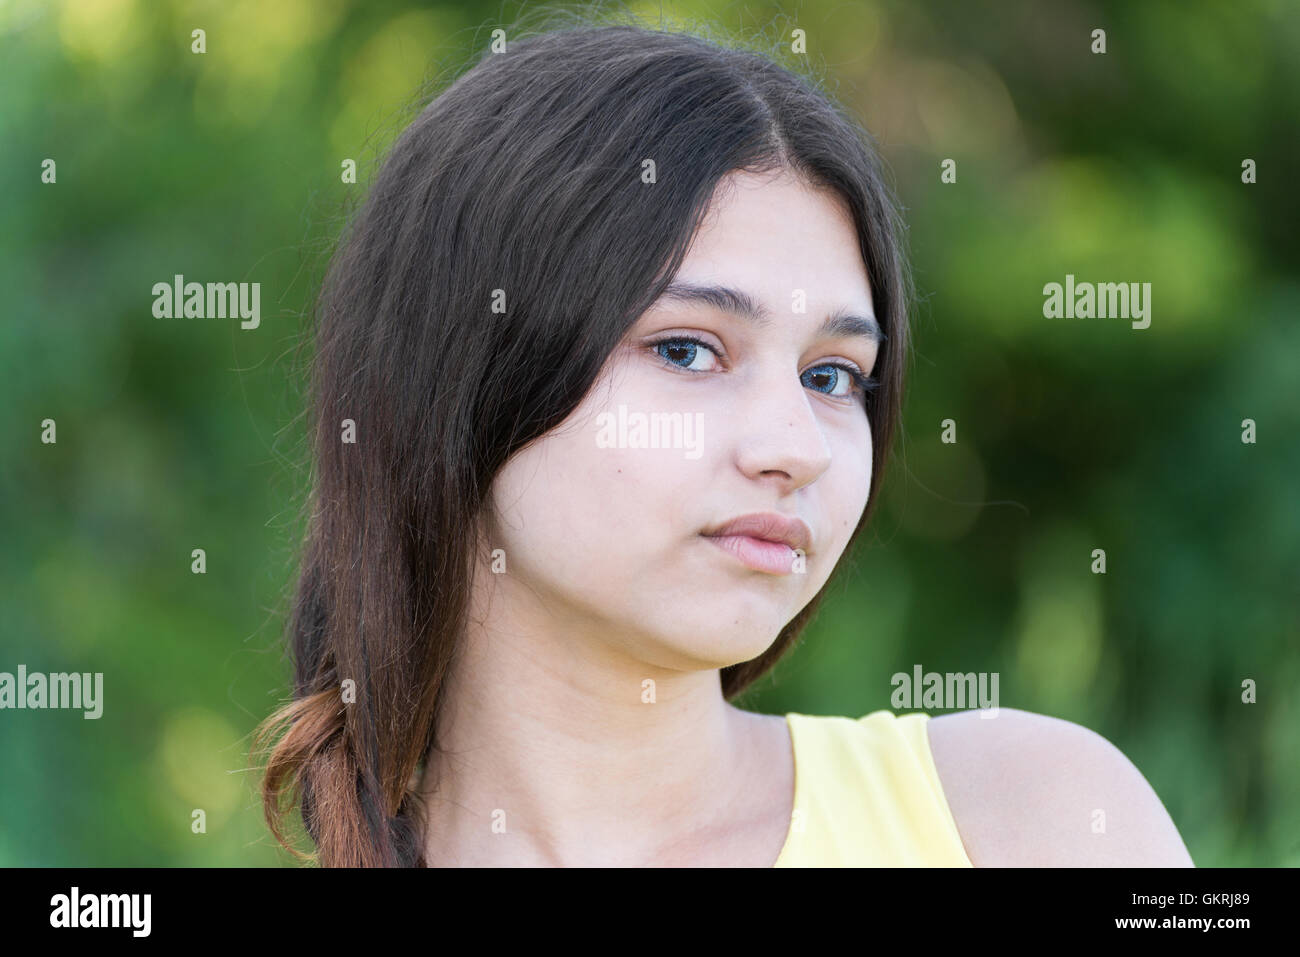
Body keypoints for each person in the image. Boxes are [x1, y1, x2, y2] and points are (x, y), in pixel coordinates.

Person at [253, 14, 1194, 868]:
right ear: (461, 372)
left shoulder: (1033, 817)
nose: (796, 446)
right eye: (688, 350)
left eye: (832, 377)